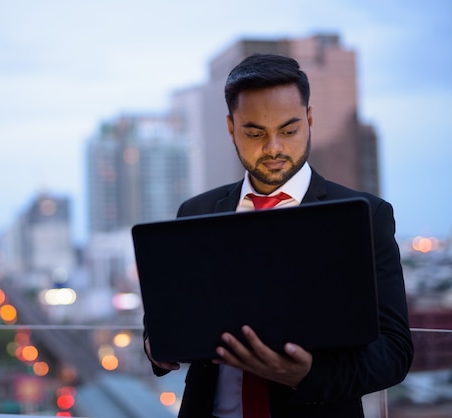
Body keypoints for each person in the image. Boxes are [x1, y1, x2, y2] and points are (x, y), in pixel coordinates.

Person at [143, 53, 413, 418]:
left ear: (310, 119)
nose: (273, 148)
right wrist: (158, 345)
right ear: (230, 127)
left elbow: (395, 352)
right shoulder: (197, 212)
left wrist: (308, 374)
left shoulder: (366, 216)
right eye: (255, 132)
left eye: (288, 130)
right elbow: (172, 319)